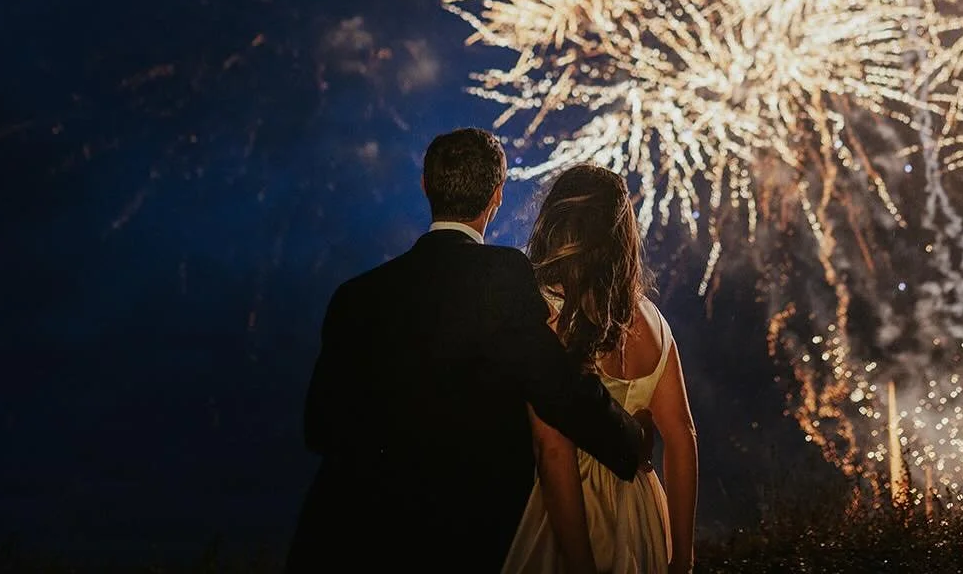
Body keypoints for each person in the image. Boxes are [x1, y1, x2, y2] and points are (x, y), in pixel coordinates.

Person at [283, 129, 651, 572]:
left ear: (425, 186)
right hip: (458, 537)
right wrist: (629, 440)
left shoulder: (354, 296)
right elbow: (560, 390)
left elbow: (319, 427)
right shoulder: (500, 278)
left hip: (347, 536)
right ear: (497, 195)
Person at [502, 164, 698, 574]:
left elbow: (554, 452)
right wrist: (682, 556)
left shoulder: (544, 316)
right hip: (639, 513)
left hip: (565, 511)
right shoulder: (651, 320)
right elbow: (682, 438)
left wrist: (579, 563)